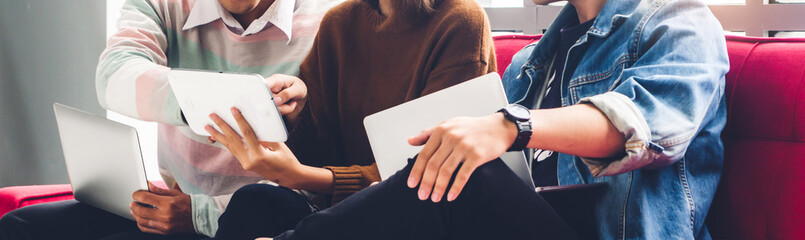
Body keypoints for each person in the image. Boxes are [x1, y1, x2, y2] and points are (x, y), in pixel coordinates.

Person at [217, 0, 730, 239]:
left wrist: (510, 125)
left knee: (470, 176)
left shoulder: (679, 23)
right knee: (257, 203)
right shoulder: (534, 61)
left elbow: (639, 129)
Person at [0, 0, 341, 239]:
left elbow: (318, 186)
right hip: (180, 198)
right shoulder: (165, 4)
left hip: (263, 212)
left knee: (258, 205)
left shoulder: (330, 22)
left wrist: (200, 216)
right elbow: (114, 74)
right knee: (20, 226)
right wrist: (224, 98)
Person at [204, 0, 497, 239]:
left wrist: (301, 176)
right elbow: (313, 150)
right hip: (340, 211)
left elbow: (426, 175)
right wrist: (296, 110)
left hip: (418, 215)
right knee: (252, 202)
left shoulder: (461, 22)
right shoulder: (339, 22)